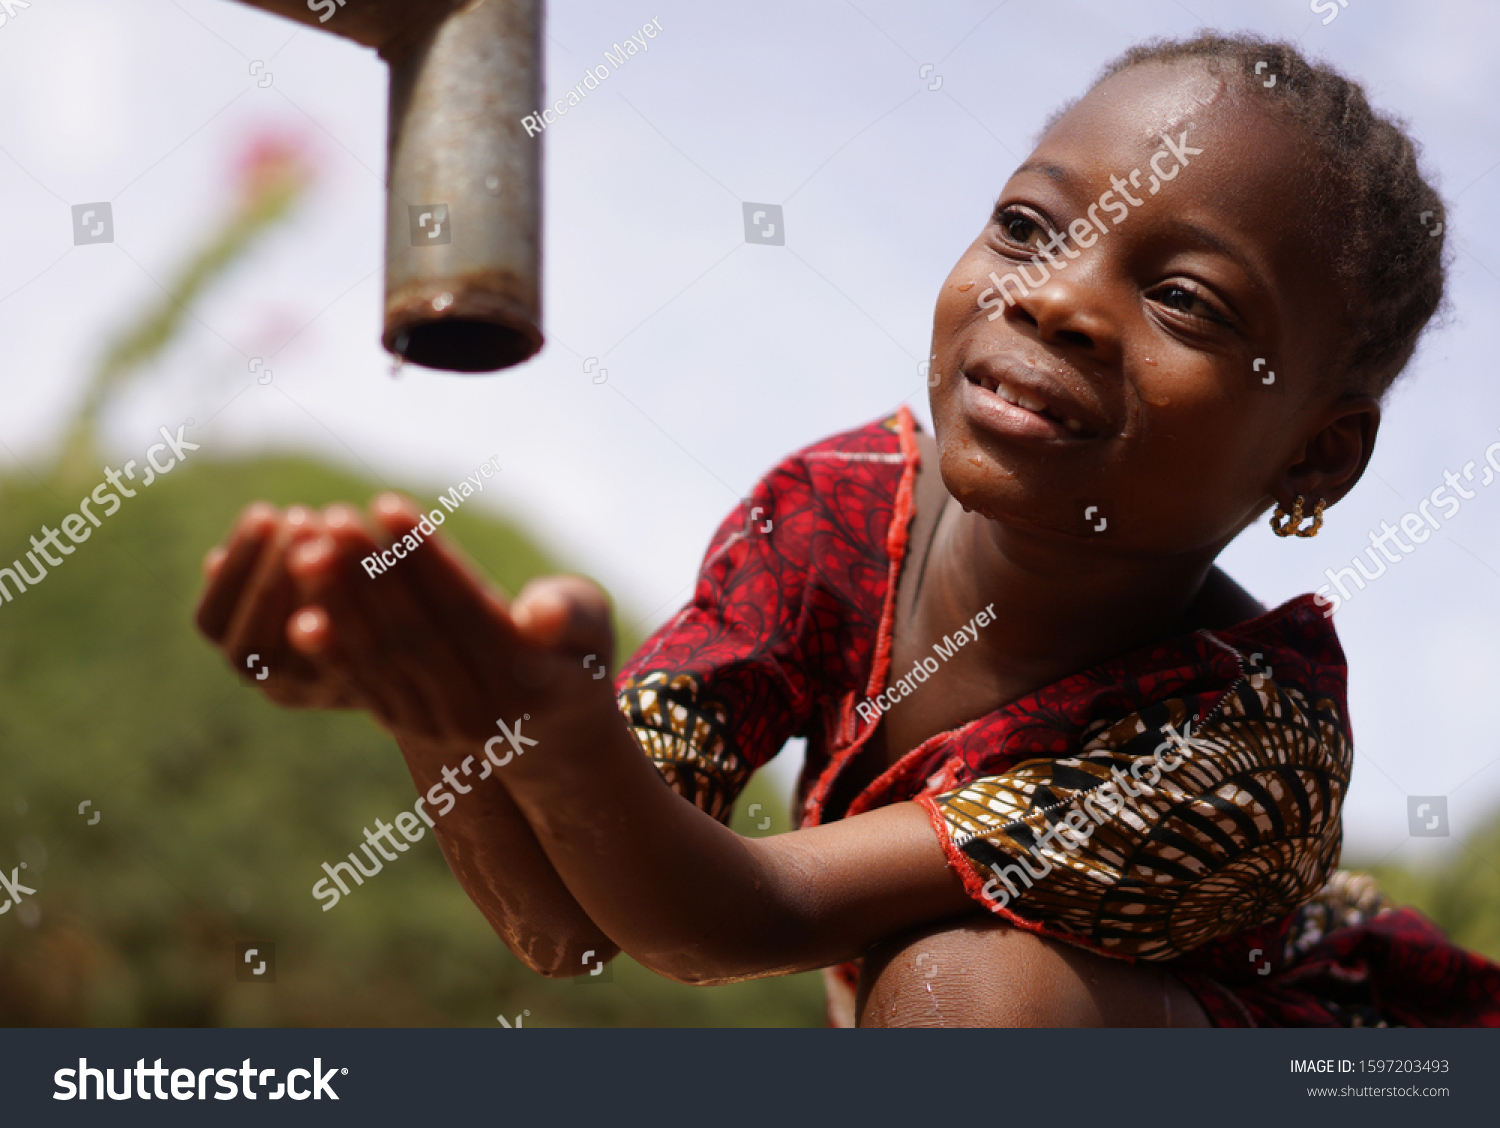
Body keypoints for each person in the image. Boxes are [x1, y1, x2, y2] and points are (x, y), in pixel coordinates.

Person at [196, 32, 1500, 1026]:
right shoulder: (833, 514)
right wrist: (452, 718)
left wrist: (556, 725)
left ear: (1318, 451)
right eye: (1029, 226)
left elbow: (730, 915)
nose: (1056, 300)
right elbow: (571, 922)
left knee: (970, 995)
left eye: (1184, 299)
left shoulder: (1246, 746)